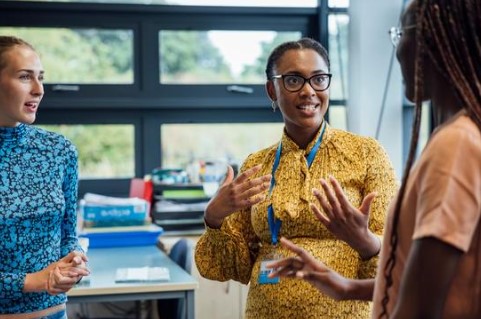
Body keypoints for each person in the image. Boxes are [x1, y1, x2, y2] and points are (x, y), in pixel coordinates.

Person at [268, 0, 481, 318]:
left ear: (431, 42)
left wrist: (364, 241)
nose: (397, 51)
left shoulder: (456, 145)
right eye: (293, 80)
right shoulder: (458, 135)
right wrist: (346, 288)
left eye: (401, 33)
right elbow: (423, 278)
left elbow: (420, 306)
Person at [194, 37, 398, 319]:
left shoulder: (366, 154)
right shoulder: (256, 164)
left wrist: (365, 240)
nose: (308, 91)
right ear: (271, 90)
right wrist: (214, 218)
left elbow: (396, 265)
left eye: (318, 79)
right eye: (293, 81)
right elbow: (235, 267)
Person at [0, 36, 90, 318]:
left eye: (40, 78)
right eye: (25, 77)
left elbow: (67, 234)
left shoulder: (59, 150)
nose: (39, 89)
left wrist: (73, 261)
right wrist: (32, 281)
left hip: (54, 314)